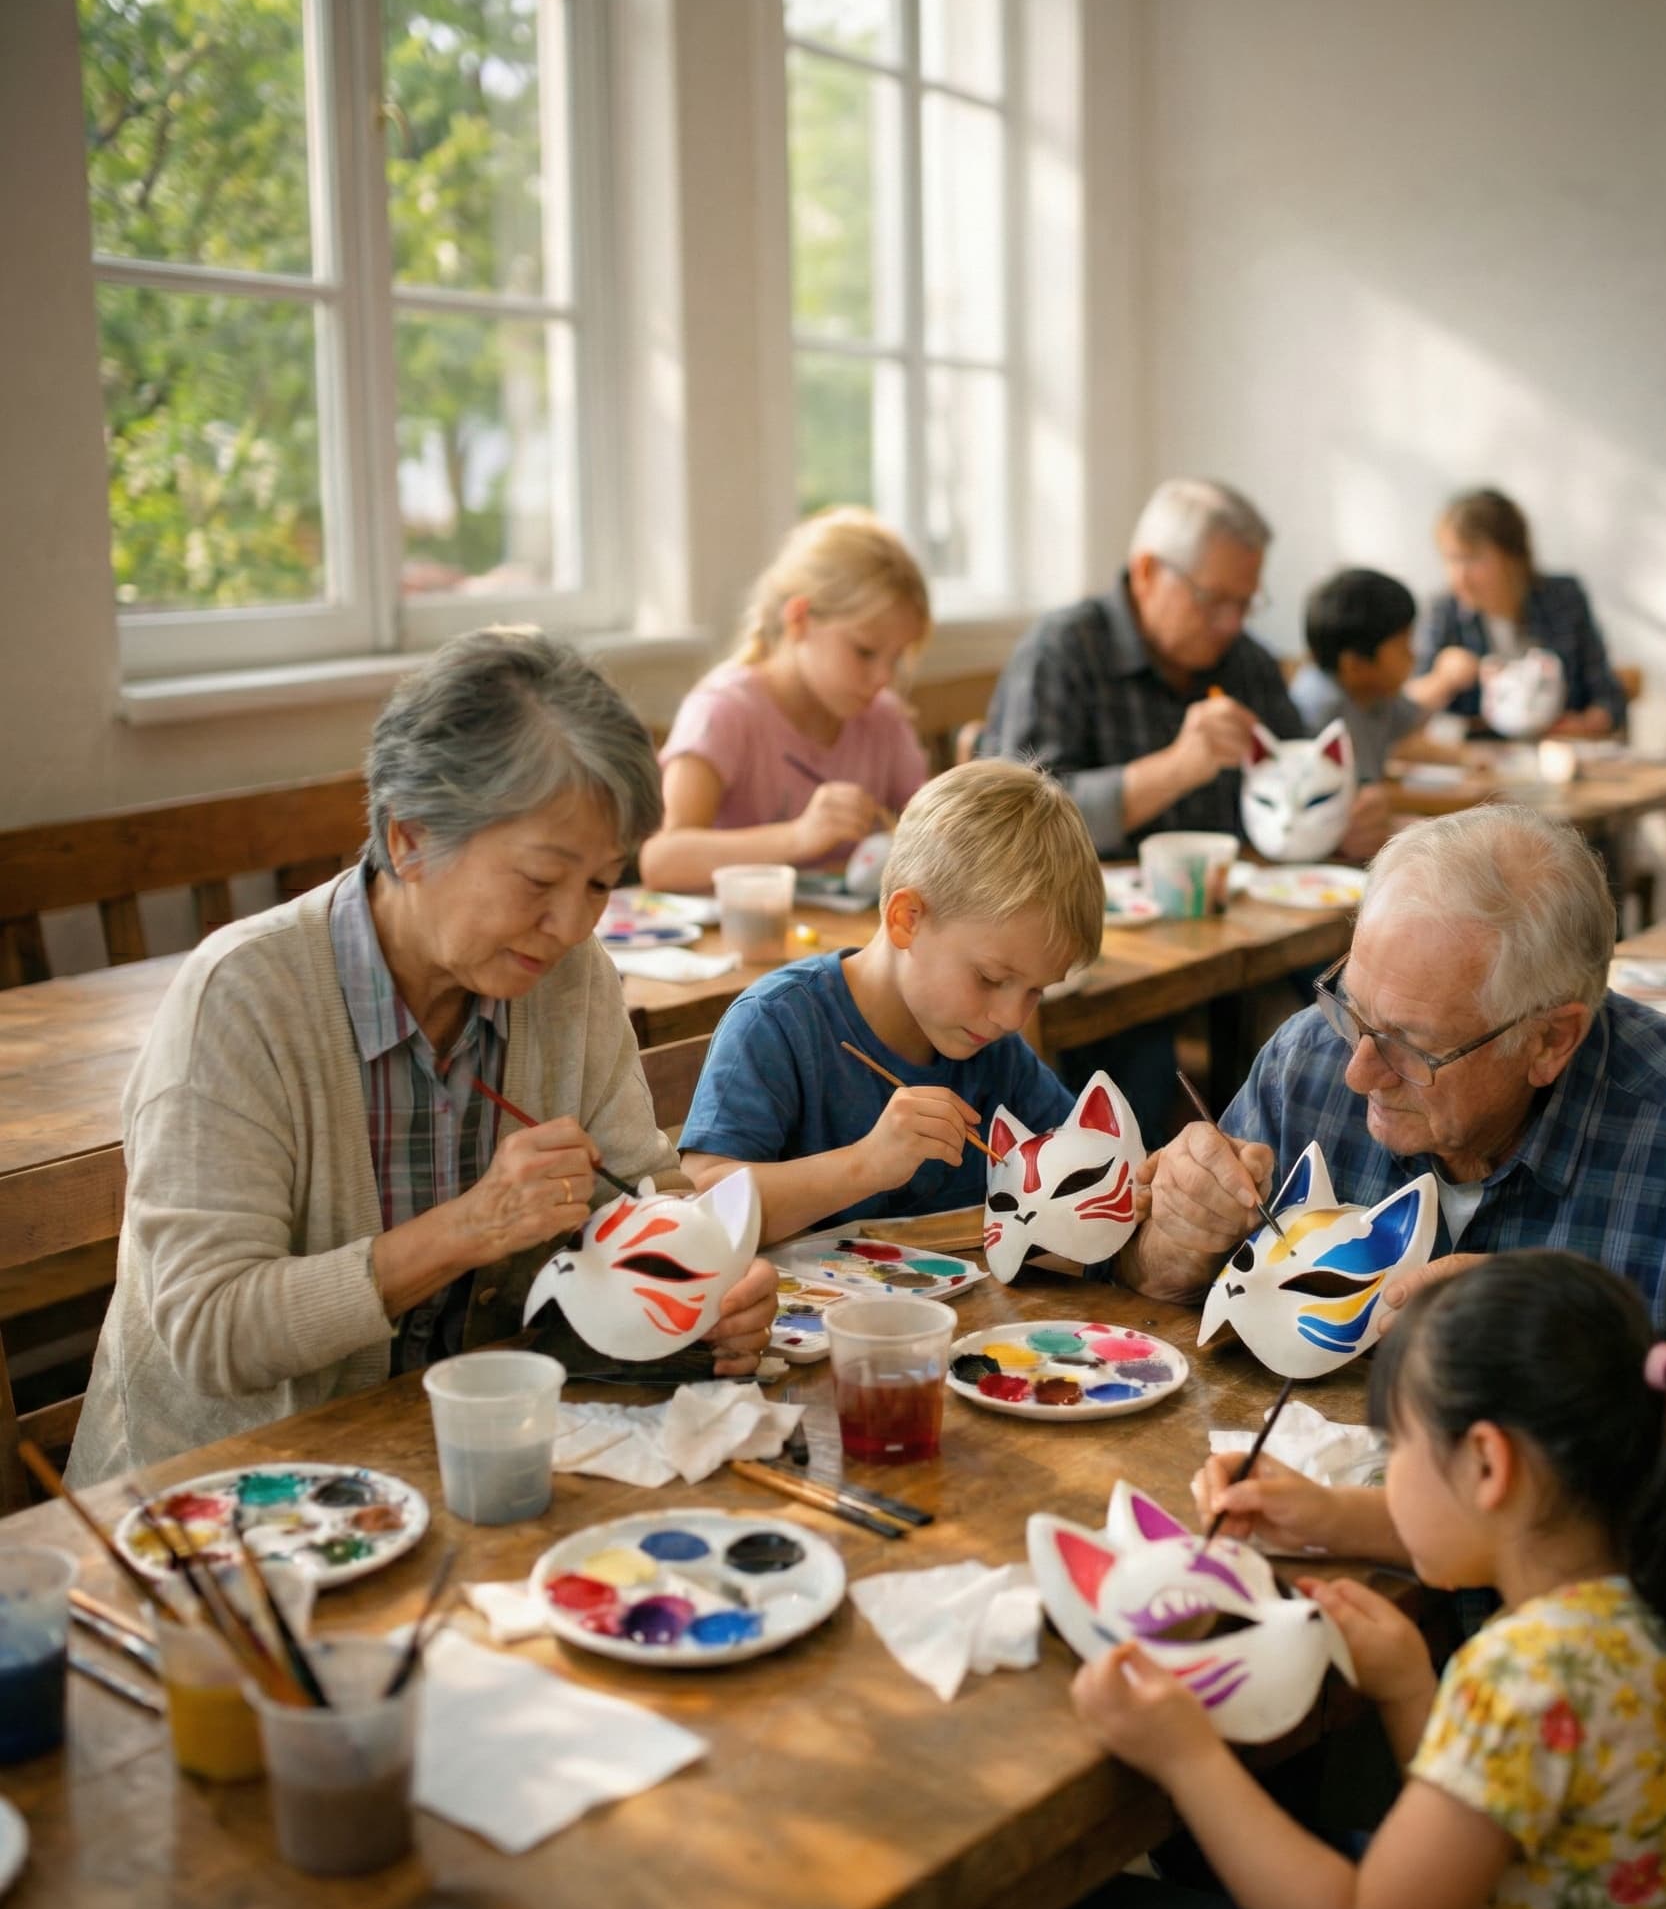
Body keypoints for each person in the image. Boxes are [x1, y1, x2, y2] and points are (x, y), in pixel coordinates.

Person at [1123, 805, 1666, 1909]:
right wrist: (1172, 1231)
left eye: (1414, 1042)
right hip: (1437, 1549)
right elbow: (1161, 1281)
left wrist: (1598, 1370)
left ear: (1550, 1039)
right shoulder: (1320, 1060)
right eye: (1349, 1001)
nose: (1357, 1063)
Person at [69, 630, 778, 1486]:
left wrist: (703, 1286)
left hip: (461, 1448)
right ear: (408, 839)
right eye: (539, 880)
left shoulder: (570, 980)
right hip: (221, 1503)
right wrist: (466, 1231)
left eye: (599, 884)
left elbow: (636, 1190)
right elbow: (213, 1332)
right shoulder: (242, 999)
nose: (571, 925)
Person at [1075, 1253, 1666, 1909]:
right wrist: (1409, 1689)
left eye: (1394, 1445)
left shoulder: (1518, 1678)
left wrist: (1188, 1756)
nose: (1389, 1470)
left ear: (1489, 1463)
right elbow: (1499, 1808)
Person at [680, 761, 1102, 1244]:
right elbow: (700, 1208)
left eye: (1036, 991)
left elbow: (1084, 1160)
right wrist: (865, 1165)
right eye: (990, 978)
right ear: (907, 919)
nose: (1011, 1017)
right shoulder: (778, 1024)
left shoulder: (993, 1051)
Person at [981, 478, 1391, 862]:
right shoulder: (1060, 651)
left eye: (1244, 604)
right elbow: (1013, 824)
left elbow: (1307, 766)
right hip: (1090, 923)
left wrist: (1352, 812)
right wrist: (1177, 768)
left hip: (1245, 910)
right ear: (1147, 573)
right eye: (1212, 600)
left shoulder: (1248, 663)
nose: (1232, 624)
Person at [638, 508, 931, 892]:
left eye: (896, 658)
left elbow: (932, 837)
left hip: (846, 944)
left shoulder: (884, 721)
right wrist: (798, 836)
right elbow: (661, 861)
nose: (883, 678)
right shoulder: (724, 711)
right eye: (864, 652)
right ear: (800, 619)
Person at [1410, 486, 1629, 738]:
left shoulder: (1563, 598)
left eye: (1472, 558)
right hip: (1478, 764)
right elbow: (1402, 711)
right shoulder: (1444, 610)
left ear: (1513, 556)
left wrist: (1590, 723)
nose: (1460, 576)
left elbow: (1607, 694)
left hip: (1556, 753)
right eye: (1450, 560)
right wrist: (1441, 678)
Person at [1289, 566, 1470, 782]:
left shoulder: (1374, 693)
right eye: (1403, 647)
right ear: (1355, 665)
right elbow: (1361, 793)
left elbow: (1412, 715)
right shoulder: (1324, 712)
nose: (1413, 655)